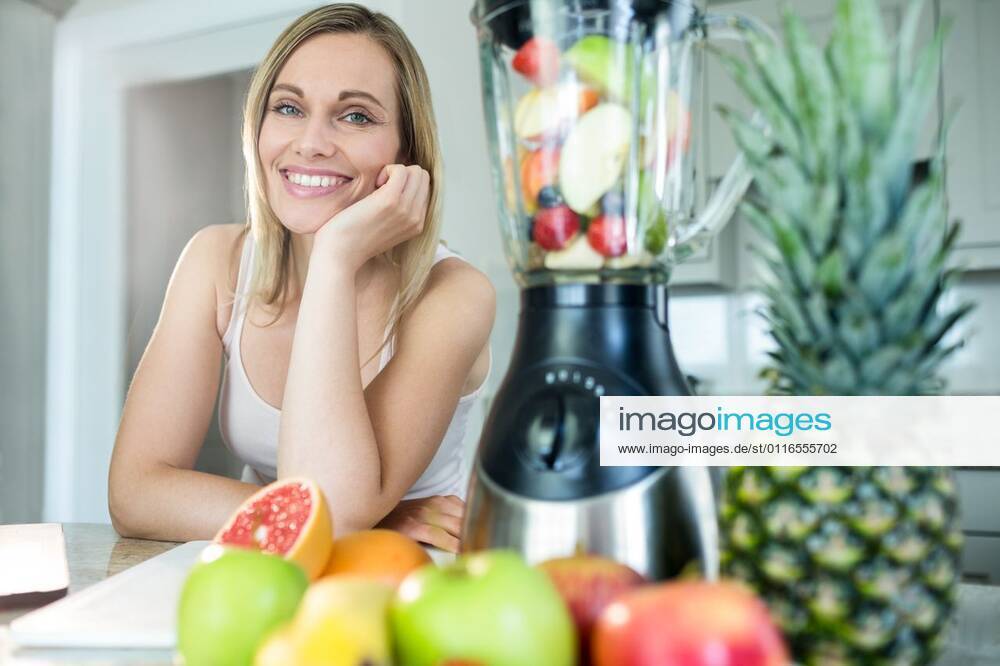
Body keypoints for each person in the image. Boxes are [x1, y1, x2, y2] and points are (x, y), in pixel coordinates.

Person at [108, 3, 495, 553]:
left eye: (356, 116)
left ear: (406, 151)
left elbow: (332, 517)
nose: (311, 141)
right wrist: (369, 520)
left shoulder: (453, 295)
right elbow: (136, 492)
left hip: (404, 598)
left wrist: (335, 257)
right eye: (288, 107)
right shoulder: (215, 260)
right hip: (270, 583)